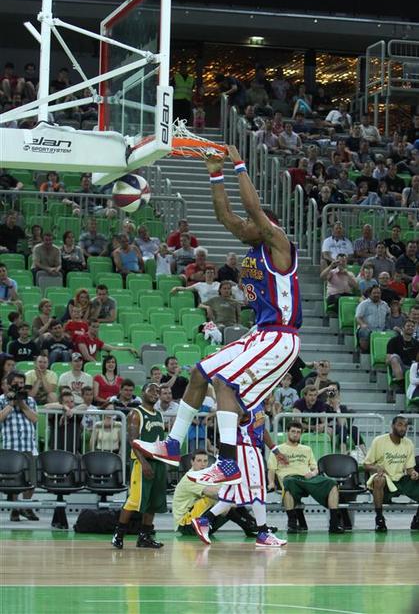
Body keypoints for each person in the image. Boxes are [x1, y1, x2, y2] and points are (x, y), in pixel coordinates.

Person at [135, 145, 301, 487]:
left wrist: (239, 162)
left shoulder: (279, 243)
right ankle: (171, 444)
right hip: (260, 333)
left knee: (225, 382)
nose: (241, 226)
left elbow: (250, 208)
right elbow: (224, 215)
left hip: (281, 336)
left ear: (265, 225)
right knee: (199, 373)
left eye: (251, 223)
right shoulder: (254, 244)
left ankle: (227, 463)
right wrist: (214, 171)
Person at [191, 404, 287, 547]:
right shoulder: (244, 400)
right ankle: (263, 534)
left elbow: (261, 429)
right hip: (245, 451)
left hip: (244, 451)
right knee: (258, 491)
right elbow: (230, 422)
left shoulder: (258, 403)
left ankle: (204, 520)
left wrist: (275, 450)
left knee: (229, 495)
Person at [111, 383, 167, 549]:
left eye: (158, 391)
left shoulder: (159, 415)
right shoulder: (136, 414)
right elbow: (133, 441)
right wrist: (143, 463)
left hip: (157, 462)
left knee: (153, 502)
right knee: (134, 500)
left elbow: (160, 441)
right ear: (142, 392)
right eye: (151, 390)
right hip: (141, 462)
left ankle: (145, 536)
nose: (155, 394)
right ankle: (118, 534)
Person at [268, 421, 344, 533]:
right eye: (293, 431)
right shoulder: (278, 450)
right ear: (287, 432)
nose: (295, 434)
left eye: (298, 432)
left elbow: (315, 467)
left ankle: (334, 523)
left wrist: (313, 474)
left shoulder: (306, 449)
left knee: (332, 483)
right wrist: (271, 483)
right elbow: (271, 469)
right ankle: (292, 523)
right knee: (288, 483)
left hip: (307, 478)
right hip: (290, 478)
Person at [173, 450, 258, 538]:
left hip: (201, 522)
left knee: (228, 498)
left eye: (205, 461)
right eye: (199, 461)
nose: (202, 464)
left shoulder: (206, 475)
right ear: (192, 462)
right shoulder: (190, 477)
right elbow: (215, 493)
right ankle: (249, 526)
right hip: (186, 525)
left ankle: (254, 525)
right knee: (221, 499)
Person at [364, 416, 419, 532]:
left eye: (405, 426)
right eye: (399, 425)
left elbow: (409, 468)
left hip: (400, 479)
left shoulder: (408, 443)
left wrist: (413, 473)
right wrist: (377, 467)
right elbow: (366, 465)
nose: (403, 428)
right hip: (385, 478)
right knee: (379, 479)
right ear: (392, 426)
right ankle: (379, 519)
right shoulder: (379, 441)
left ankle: (417, 519)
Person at [0, 371, 39, 522]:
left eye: (22, 383)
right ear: (9, 384)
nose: (20, 386)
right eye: (16, 383)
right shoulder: (2, 399)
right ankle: (15, 509)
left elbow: (35, 419)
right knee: (14, 480)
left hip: (29, 445)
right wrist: (11, 405)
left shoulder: (29, 400)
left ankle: (26, 507)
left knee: (32, 480)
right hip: (11, 446)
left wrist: (21, 404)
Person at [325, 383, 366, 456]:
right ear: (326, 392)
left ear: (338, 392)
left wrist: (337, 408)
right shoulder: (323, 406)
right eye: (330, 390)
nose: (332, 392)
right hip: (329, 428)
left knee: (354, 429)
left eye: (334, 390)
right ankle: (343, 453)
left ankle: (365, 454)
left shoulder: (342, 407)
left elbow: (343, 424)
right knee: (343, 429)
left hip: (340, 427)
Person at [355, 285, 390, 353]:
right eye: (374, 293)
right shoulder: (364, 304)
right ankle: (365, 352)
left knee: (393, 333)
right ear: (370, 294)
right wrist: (362, 325)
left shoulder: (384, 304)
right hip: (368, 329)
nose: (376, 295)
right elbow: (358, 317)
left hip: (382, 329)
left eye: (378, 293)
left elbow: (390, 313)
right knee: (364, 331)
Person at [386, 319, 419, 386]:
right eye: (408, 326)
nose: (410, 327)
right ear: (403, 328)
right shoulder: (393, 341)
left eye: (412, 326)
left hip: (412, 367)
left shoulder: (417, 343)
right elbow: (387, 360)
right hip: (400, 367)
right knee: (394, 357)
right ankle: (401, 383)